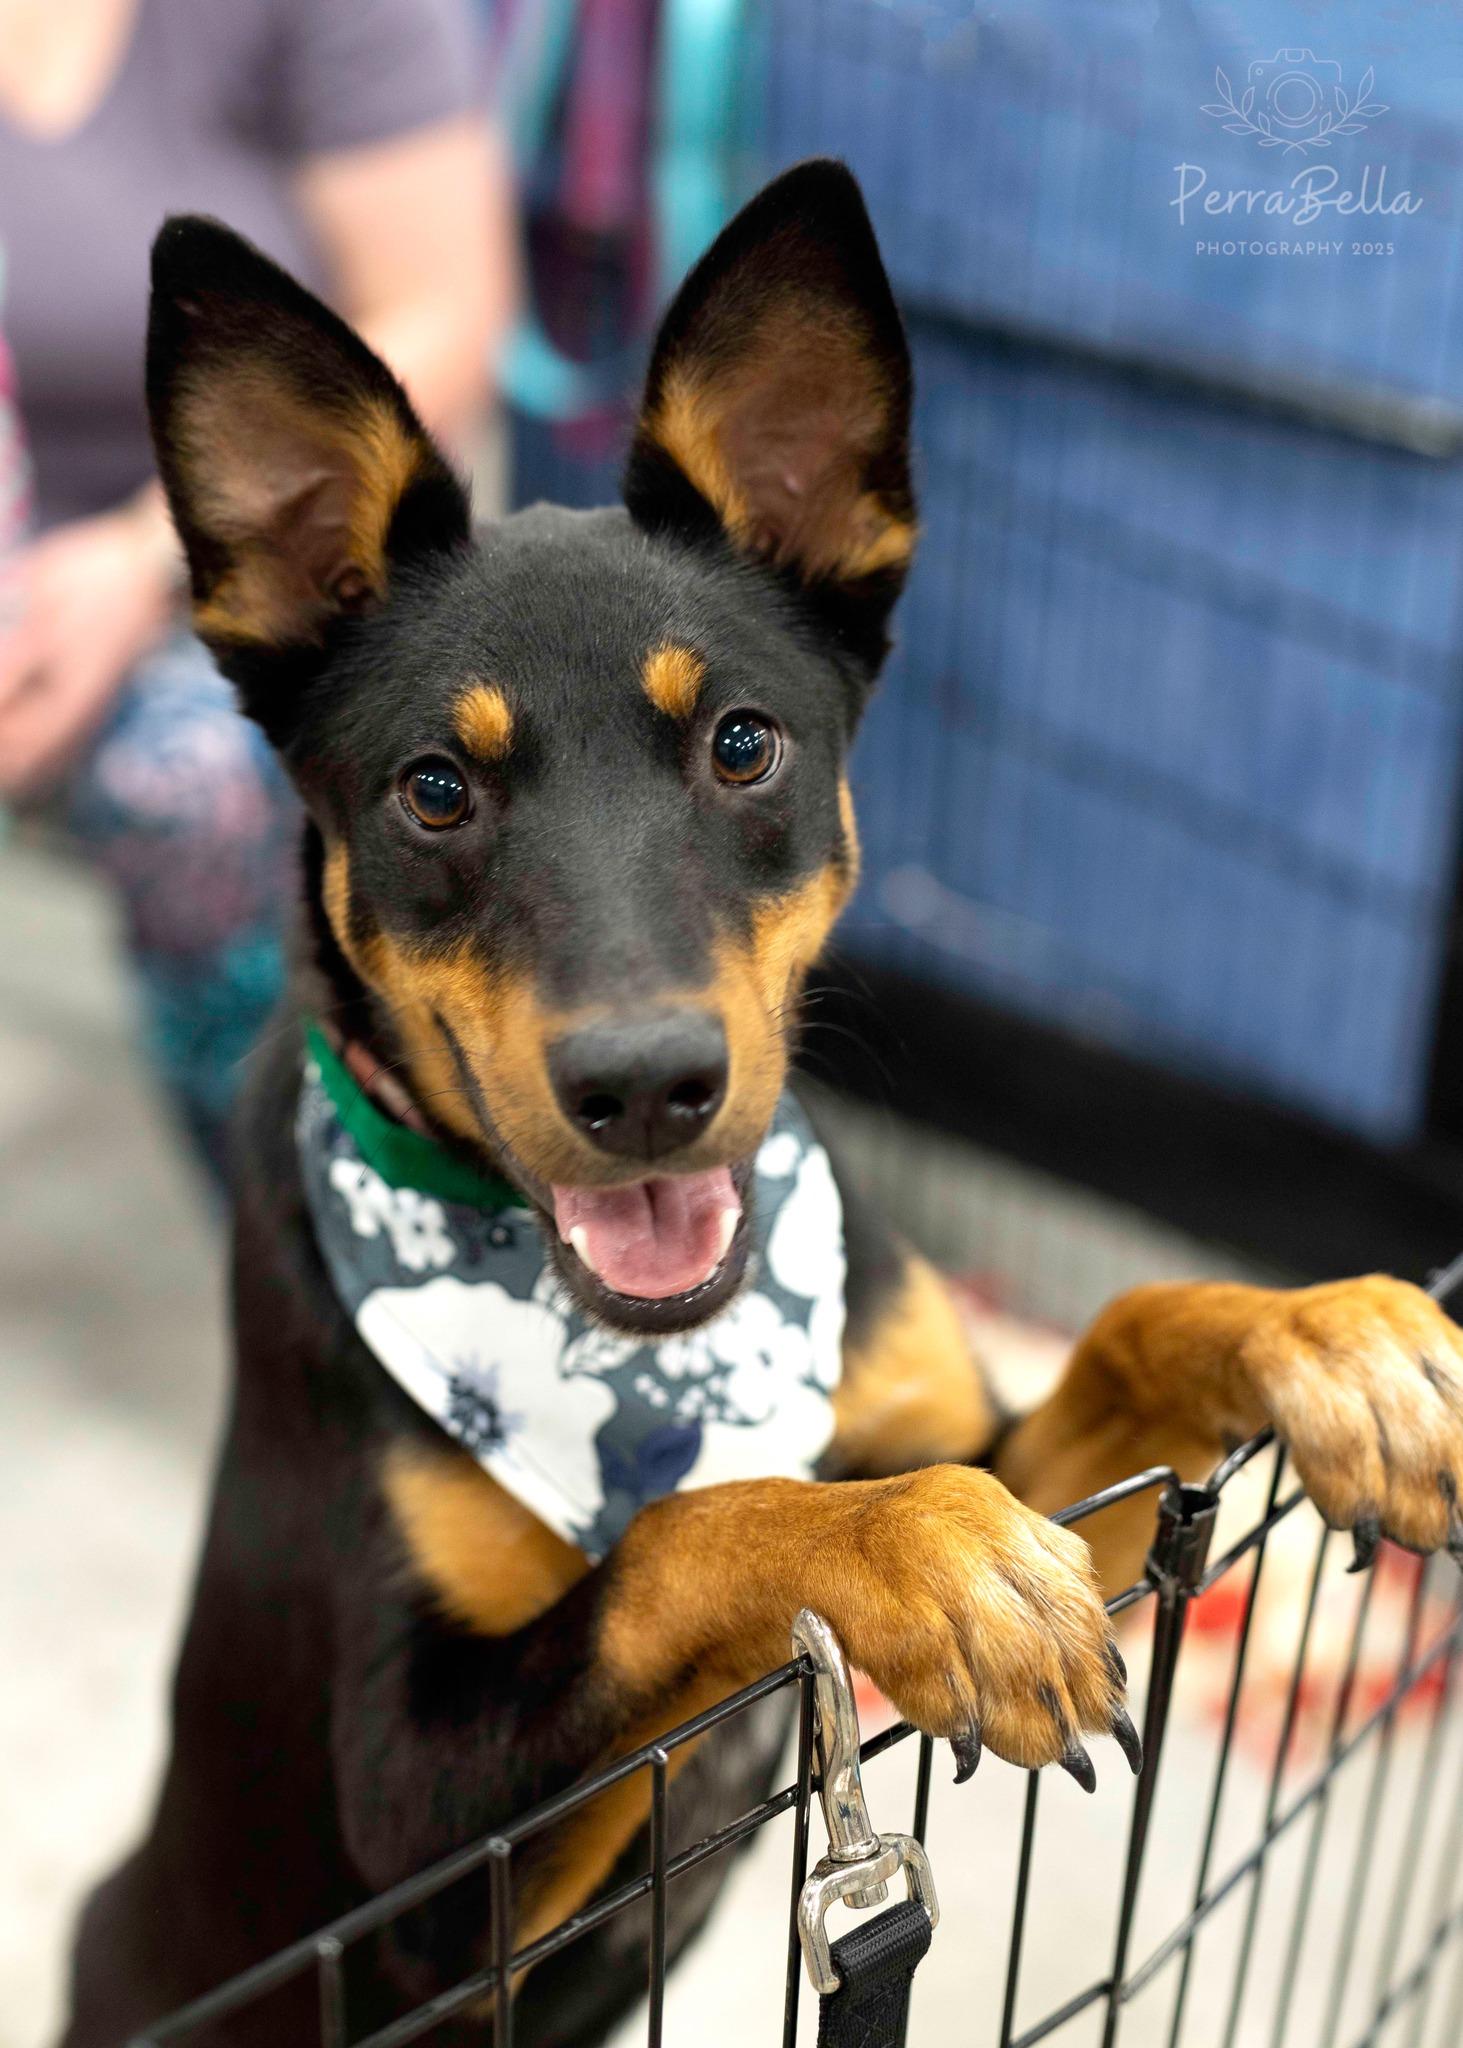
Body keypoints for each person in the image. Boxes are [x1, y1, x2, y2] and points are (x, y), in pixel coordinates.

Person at [0, 0, 515, 1180]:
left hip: (268, 555)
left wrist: (141, 563)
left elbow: (446, 315)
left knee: (201, 787)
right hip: (25, 543)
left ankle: (304, 1192)